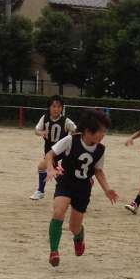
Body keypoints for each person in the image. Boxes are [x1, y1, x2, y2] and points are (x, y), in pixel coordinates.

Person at [45, 109, 118, 267]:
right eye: (100, 131)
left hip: (83, 188)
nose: (103, 135)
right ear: (87, 131)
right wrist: (50, 168)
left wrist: (107, 189)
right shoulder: (71, 140)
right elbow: (50, 154)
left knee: (74, 227)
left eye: (104, 131)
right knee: (58, 212)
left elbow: (98, 171)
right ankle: (54, 252)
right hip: (66, 181)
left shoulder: (100, 149)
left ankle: (79, 236)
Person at [30, 95, 76, 200]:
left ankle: (42, 191)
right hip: (49, 151)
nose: (56, 109)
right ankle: (67, 191)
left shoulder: (66, 121)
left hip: (61, 152)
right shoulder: (45, 118)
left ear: (62, 108)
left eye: (59, 107)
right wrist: (41, 132)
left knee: (47, 169)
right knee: (53, 171)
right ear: (49, 107)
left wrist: (70, 138)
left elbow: (76, 130)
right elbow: (36, 130)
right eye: (54, 106)